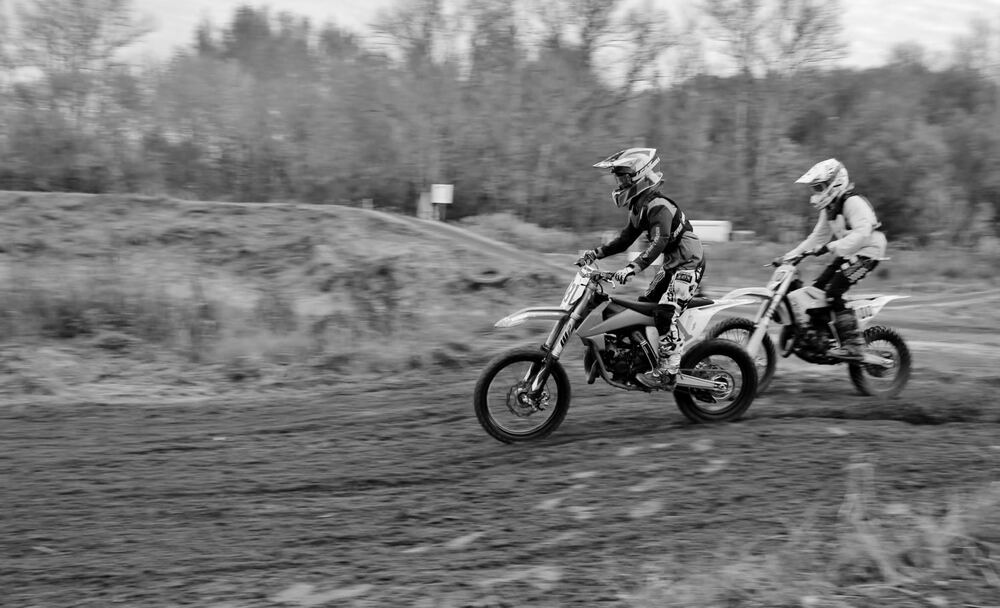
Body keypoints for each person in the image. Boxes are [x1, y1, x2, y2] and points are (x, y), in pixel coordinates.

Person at [576, 147, 705, 389]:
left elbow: (660, 240)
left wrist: (633, 267)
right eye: (618, 179)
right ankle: (641, 358)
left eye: (623, 178)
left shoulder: (658, 205)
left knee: (665, 312)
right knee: (644, 307)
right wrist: (595, 254)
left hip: (689, 264)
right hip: (672, 265)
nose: (619, 184)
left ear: (639, 177)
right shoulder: (639, 207)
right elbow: (624, 240)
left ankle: (668, 370)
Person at [777, 158, 887, 359]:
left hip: (869, 252)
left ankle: (854, 343)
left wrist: (831, 247)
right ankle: (821, 336)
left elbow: (862, 234)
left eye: (819, 187)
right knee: (817, 290)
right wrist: (789, 257)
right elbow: (818, 237)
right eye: (814, 189)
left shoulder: (853, 202)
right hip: (849, 252)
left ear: (835, 183)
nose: (816, 193)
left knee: (834, 291)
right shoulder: (830, 208)